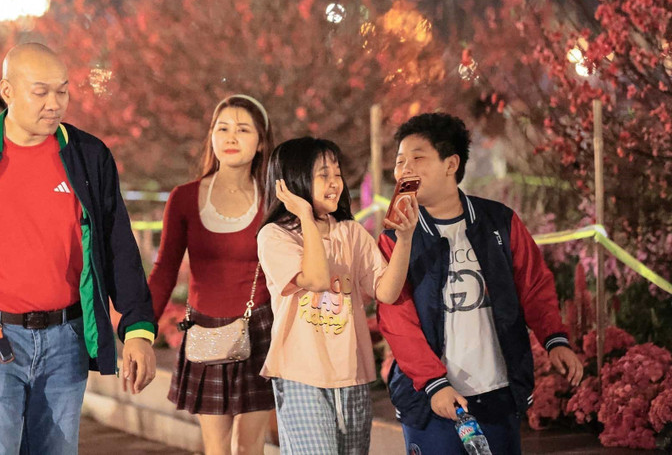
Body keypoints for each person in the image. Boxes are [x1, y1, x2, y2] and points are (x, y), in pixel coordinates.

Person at [0, 43, 157, 455]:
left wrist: (138, 326)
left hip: (66, 343)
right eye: (41, 92)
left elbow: (118, 247)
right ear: (7, 90)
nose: (55, 104)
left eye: (62, 91)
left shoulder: (89, 156)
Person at [377, 113, 584, 455]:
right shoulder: (393, 239)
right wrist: (434, 384)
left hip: (497, 395)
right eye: (400, 161)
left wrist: (554, 339)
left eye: (418, 158)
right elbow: (397, 320)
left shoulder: (499, 222)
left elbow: (534, 287)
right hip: (431, 403)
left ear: (451, 164)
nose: (405, 169)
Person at [256, 137, 418, 455]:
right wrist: (304, 215)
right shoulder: (275, 235)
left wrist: (406, 238)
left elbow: (386, 290)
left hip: (352, 374)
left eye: (337, 173)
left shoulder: (350, 232)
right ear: (293, 181)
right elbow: (315, 279)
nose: (335, 183)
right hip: (300, 375)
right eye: (323, 174)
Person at [147, 95, 276, 454]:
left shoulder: (275, 198)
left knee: (250, 446)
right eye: (223, 128)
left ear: (261, 141)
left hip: (262, 329)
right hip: (205, 332)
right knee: (216, 448)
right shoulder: (185, 197)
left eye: (243, 129)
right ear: (212, 137)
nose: (231, 137)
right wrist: (140, 329)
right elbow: (164, 269)